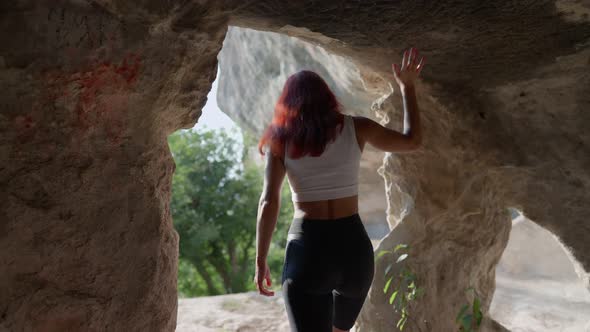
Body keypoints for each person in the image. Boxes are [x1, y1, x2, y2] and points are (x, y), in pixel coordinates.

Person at [254, 48, 425, 332]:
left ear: (287, 104)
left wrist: (261, 261)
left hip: (310, 249)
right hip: (354, 251)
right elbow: (412, 141)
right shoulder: (356, 128)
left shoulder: (280, 141)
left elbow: (268, 202)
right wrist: (407, 87)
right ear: (327, 98)